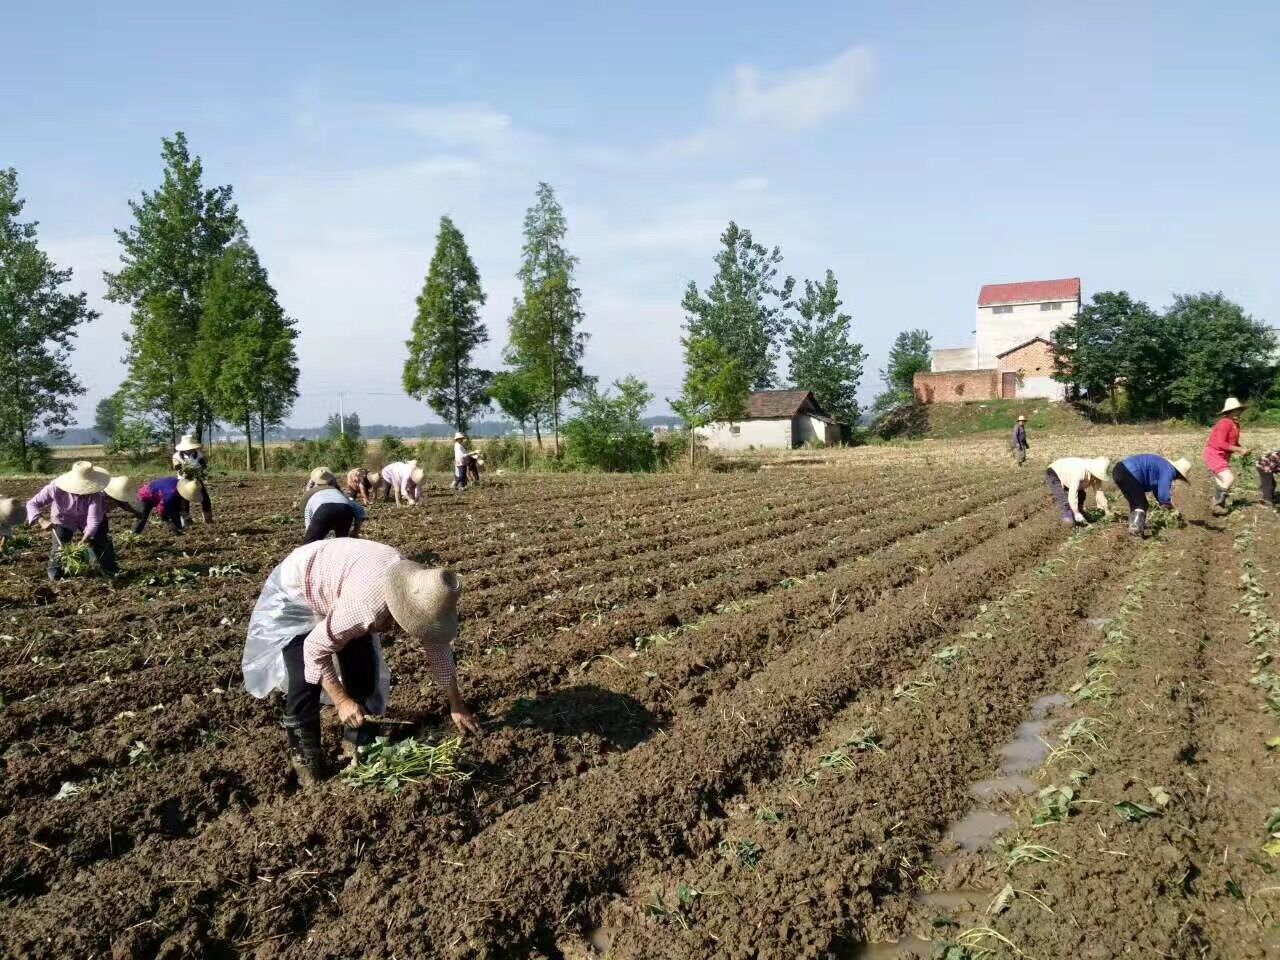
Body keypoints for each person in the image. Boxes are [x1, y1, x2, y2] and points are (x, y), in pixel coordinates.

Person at [241, 538, 480, 784]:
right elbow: (314, 649)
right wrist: (342, 701)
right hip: (297, 588)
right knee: (304, 682)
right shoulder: (366, 608)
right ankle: (306, 763)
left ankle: (357, 745)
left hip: (344, 582)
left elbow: (438, 649)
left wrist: (456, 703)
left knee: (363, 673)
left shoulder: (424, 594)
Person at [25, 461, 119, 579]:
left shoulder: (95, 494)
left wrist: (85, 538)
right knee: (59, 548)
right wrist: (41, 520)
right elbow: (32, 504)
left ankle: (110, 571)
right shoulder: (55, 488)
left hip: (85, 520)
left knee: (100, 542)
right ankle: (55, 575)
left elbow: (93, 520)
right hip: (63, 519)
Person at [1111, 456, 1191, 536]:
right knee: (1140, 505)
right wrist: (1167, 504)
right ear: (1179, 473)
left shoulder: (1163, 466)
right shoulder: (1169, 469)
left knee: (1135, 503)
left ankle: (1136, 526)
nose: (1178, 478)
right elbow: (1163, 492)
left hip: (1119, 470)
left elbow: (1157, 489)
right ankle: (1135, 529)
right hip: (1129, 472)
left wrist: (1167, 506)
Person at [1204, 397, 1249, 514]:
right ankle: (1216, 503)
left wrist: (1242, 449)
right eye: (1237, 410)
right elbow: (1221, 443)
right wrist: (1239, 450)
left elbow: (1233, 443)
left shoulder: (1235, 424)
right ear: (1231, 411)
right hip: (1214, 454)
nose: (1239, 412)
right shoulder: (1224, 423)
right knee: (1229, 478)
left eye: (1240, 410)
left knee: (1222, 482)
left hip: (1223, 456)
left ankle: (1219, 507)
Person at [302, 471, 366, 543]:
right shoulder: (341, 495)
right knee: (342, 543)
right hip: (345, 510)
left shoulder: (312, 497)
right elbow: (359, 511)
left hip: (324, 510)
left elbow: (308, 522)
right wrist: (355, 532)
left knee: (310, 544)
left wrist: (310, 537)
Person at [1045, 456, 1111, 526]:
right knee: (1065, 504)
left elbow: (1099, 492)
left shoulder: (1096, 475)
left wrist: (1106, 509)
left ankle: (1080, 513)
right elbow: (1073, 494)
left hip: (1068, 475)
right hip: (1054, 473)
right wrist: (1076, 513)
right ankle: (1069, 520)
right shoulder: (1079, 472)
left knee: (1082, 494)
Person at [134, 476, 204, 535]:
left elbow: (179, 505)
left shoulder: (182, 486)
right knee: (142, 518)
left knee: (175, 512)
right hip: (146, 496)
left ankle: (179, 531)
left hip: (162, 493)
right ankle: (134, 535)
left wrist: (184, 513)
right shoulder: (170, 495)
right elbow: (161, 509)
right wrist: (168, 521)